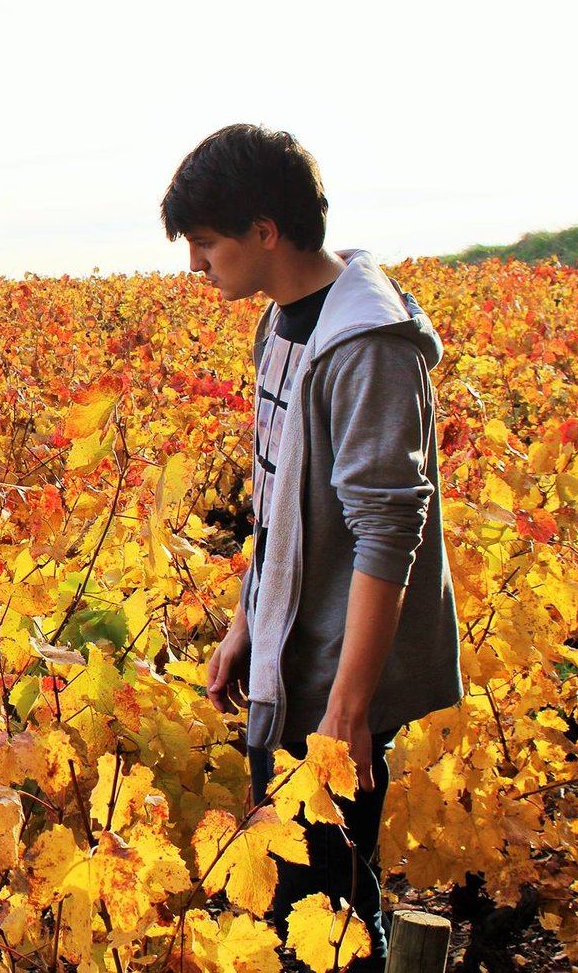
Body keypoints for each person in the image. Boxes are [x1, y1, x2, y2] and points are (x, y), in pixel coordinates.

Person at [160, 124, 463, 969]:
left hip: (334, 680)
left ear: (265, 231)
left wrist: (348, 711)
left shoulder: (365, 346)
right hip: (288, 660)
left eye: (206, 242)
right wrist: (245, 622)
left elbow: (387, 531)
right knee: (305, 894)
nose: (195, 264)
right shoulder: (282, 325)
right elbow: (278, 498)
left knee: (329, 912)